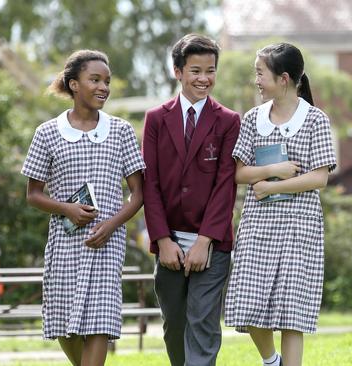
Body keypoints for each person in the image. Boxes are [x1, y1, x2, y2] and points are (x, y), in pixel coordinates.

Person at [21, 50, 145, 366]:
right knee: (65, 325)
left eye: (107, 81)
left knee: (100, 323)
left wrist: (111, 225)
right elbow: (33, 195)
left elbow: (138, 194)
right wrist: (67, 209)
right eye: (95, 80)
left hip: (107, 242)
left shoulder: (121, 131)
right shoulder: (47, 133)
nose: (103, 87)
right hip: (64, 242)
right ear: (74, 84)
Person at [224, 42, 337, 366]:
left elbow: (319, 178)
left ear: (283, 78)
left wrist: (273, 188)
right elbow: (238, 173)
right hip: (258, 225)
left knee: (291, 313)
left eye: (261, 73)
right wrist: (272, 171)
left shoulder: (315, 119)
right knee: (248, 304)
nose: (256, 80)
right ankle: (271, 360)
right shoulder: (252, 118)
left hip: (300, 225)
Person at [142, 34, 240, 366]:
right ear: (177, 71)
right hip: (168, 241)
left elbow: (225, 184)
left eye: (210, 71)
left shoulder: (228, 121)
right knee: (175, 326)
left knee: (203, 324)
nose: (203, 79)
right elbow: (150, 183)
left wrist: (205, 241)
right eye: (195, 70)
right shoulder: (156, 119)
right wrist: (162, 239)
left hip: (212, 243)